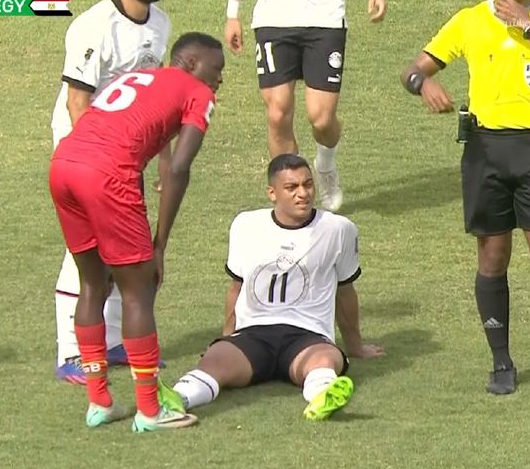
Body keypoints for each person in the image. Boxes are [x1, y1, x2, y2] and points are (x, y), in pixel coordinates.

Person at [49, 32, 225, 432]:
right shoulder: (197, 92)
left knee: (92, 284)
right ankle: (149, 409)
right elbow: (178, 169)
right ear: (191, 63)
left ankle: (99, 402)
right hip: (106, 173)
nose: (219, 79)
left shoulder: (139, 77)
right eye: (216, 69)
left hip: (64, 164)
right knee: (139, 290)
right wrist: (159, 244)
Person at [172, 154, 384, 420]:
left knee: (324, 361)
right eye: (292, 187)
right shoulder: (246, 225)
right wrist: (227, 338)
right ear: (272, 193)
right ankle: (176, 399)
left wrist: (355, 346)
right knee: (213, 362)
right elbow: (236, 287)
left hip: (308, 336)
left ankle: (322, 398)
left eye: (308, 184)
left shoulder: (338, 229)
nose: (303, 194)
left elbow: (345, 292)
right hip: (253, 335)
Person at [400, 0, 530, 395]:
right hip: (485, 152)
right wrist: (424, 83)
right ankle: (501, 362)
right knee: (492, 255)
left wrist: (527, 25)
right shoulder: (470, 20)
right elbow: (412, 71)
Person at [51, 0, 171, 385]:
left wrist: (162, 157)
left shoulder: (160, 23)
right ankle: (71, 351)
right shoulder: (95, 25)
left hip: (126, 149)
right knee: (86, 248)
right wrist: (99, 158)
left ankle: (116, 339)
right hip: (83, 147)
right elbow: (77, 101)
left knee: (127, 242)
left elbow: (153, 97)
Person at [223, 0, 387, 212]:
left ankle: (325, 166)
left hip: (325, 20)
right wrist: (233, 14)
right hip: (273, 20)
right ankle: (290, 189)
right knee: (277, 114)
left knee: (322, 119)